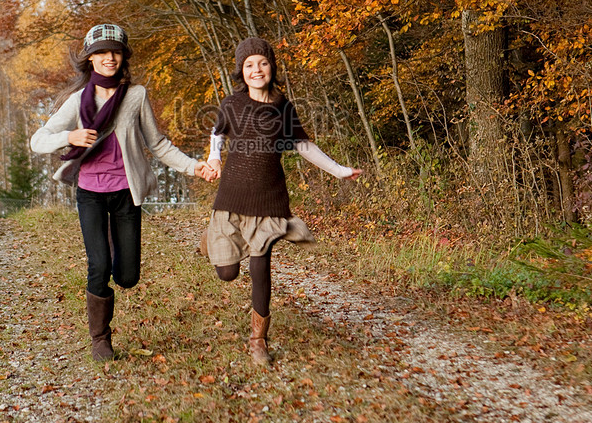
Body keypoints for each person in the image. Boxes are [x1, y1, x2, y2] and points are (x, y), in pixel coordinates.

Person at [31, 23, 215, 361]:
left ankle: (115, 245)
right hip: (90, 192)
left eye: (114, 51)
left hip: (126, 193)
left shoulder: (136, 96)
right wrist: (69, 137)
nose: (109, 58)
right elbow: (38, 139)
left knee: (127, 276)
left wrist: (194, 166)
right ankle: (100, 339)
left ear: (123, 56)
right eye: (101, 52)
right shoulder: (76, 102)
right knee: (98, 266)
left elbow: (158, 144)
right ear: (90, 59)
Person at [205, 36, 361, 366]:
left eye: (262, 62)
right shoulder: (232, 104)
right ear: (241, 71)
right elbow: (217, 134)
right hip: (232, 196)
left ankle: (258, 340)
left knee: (260, 268)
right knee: (227, 273)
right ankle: (210, 239)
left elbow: (303, 145)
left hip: (268, 199)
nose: (256, 69)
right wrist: (214, 159)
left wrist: (338, 170)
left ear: (272, 67)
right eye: (249, 65)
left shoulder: (282, 106)